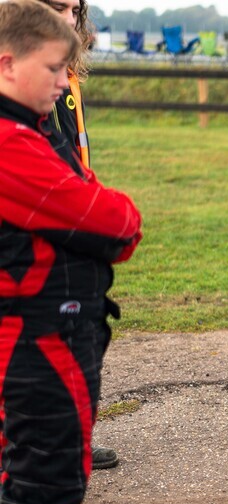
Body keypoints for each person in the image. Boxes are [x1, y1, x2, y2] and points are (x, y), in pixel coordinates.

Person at [0, 1, 142, 504]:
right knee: (46, 467)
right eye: (56, 68)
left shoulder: (34, 128)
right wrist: (107, 218)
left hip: (57, 326)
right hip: (35, 337)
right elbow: (113, 220)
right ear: (8, 64)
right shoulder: (10, 144)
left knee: (57, 458)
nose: (66, 82)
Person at [37, 0, 117, 471]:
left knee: (73, 334)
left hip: (72, 220)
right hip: (35, 221)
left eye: (74, 8)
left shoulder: (67, 77)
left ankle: (70, 440)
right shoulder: (20, 76)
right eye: (56, 7)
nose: (68, 18)